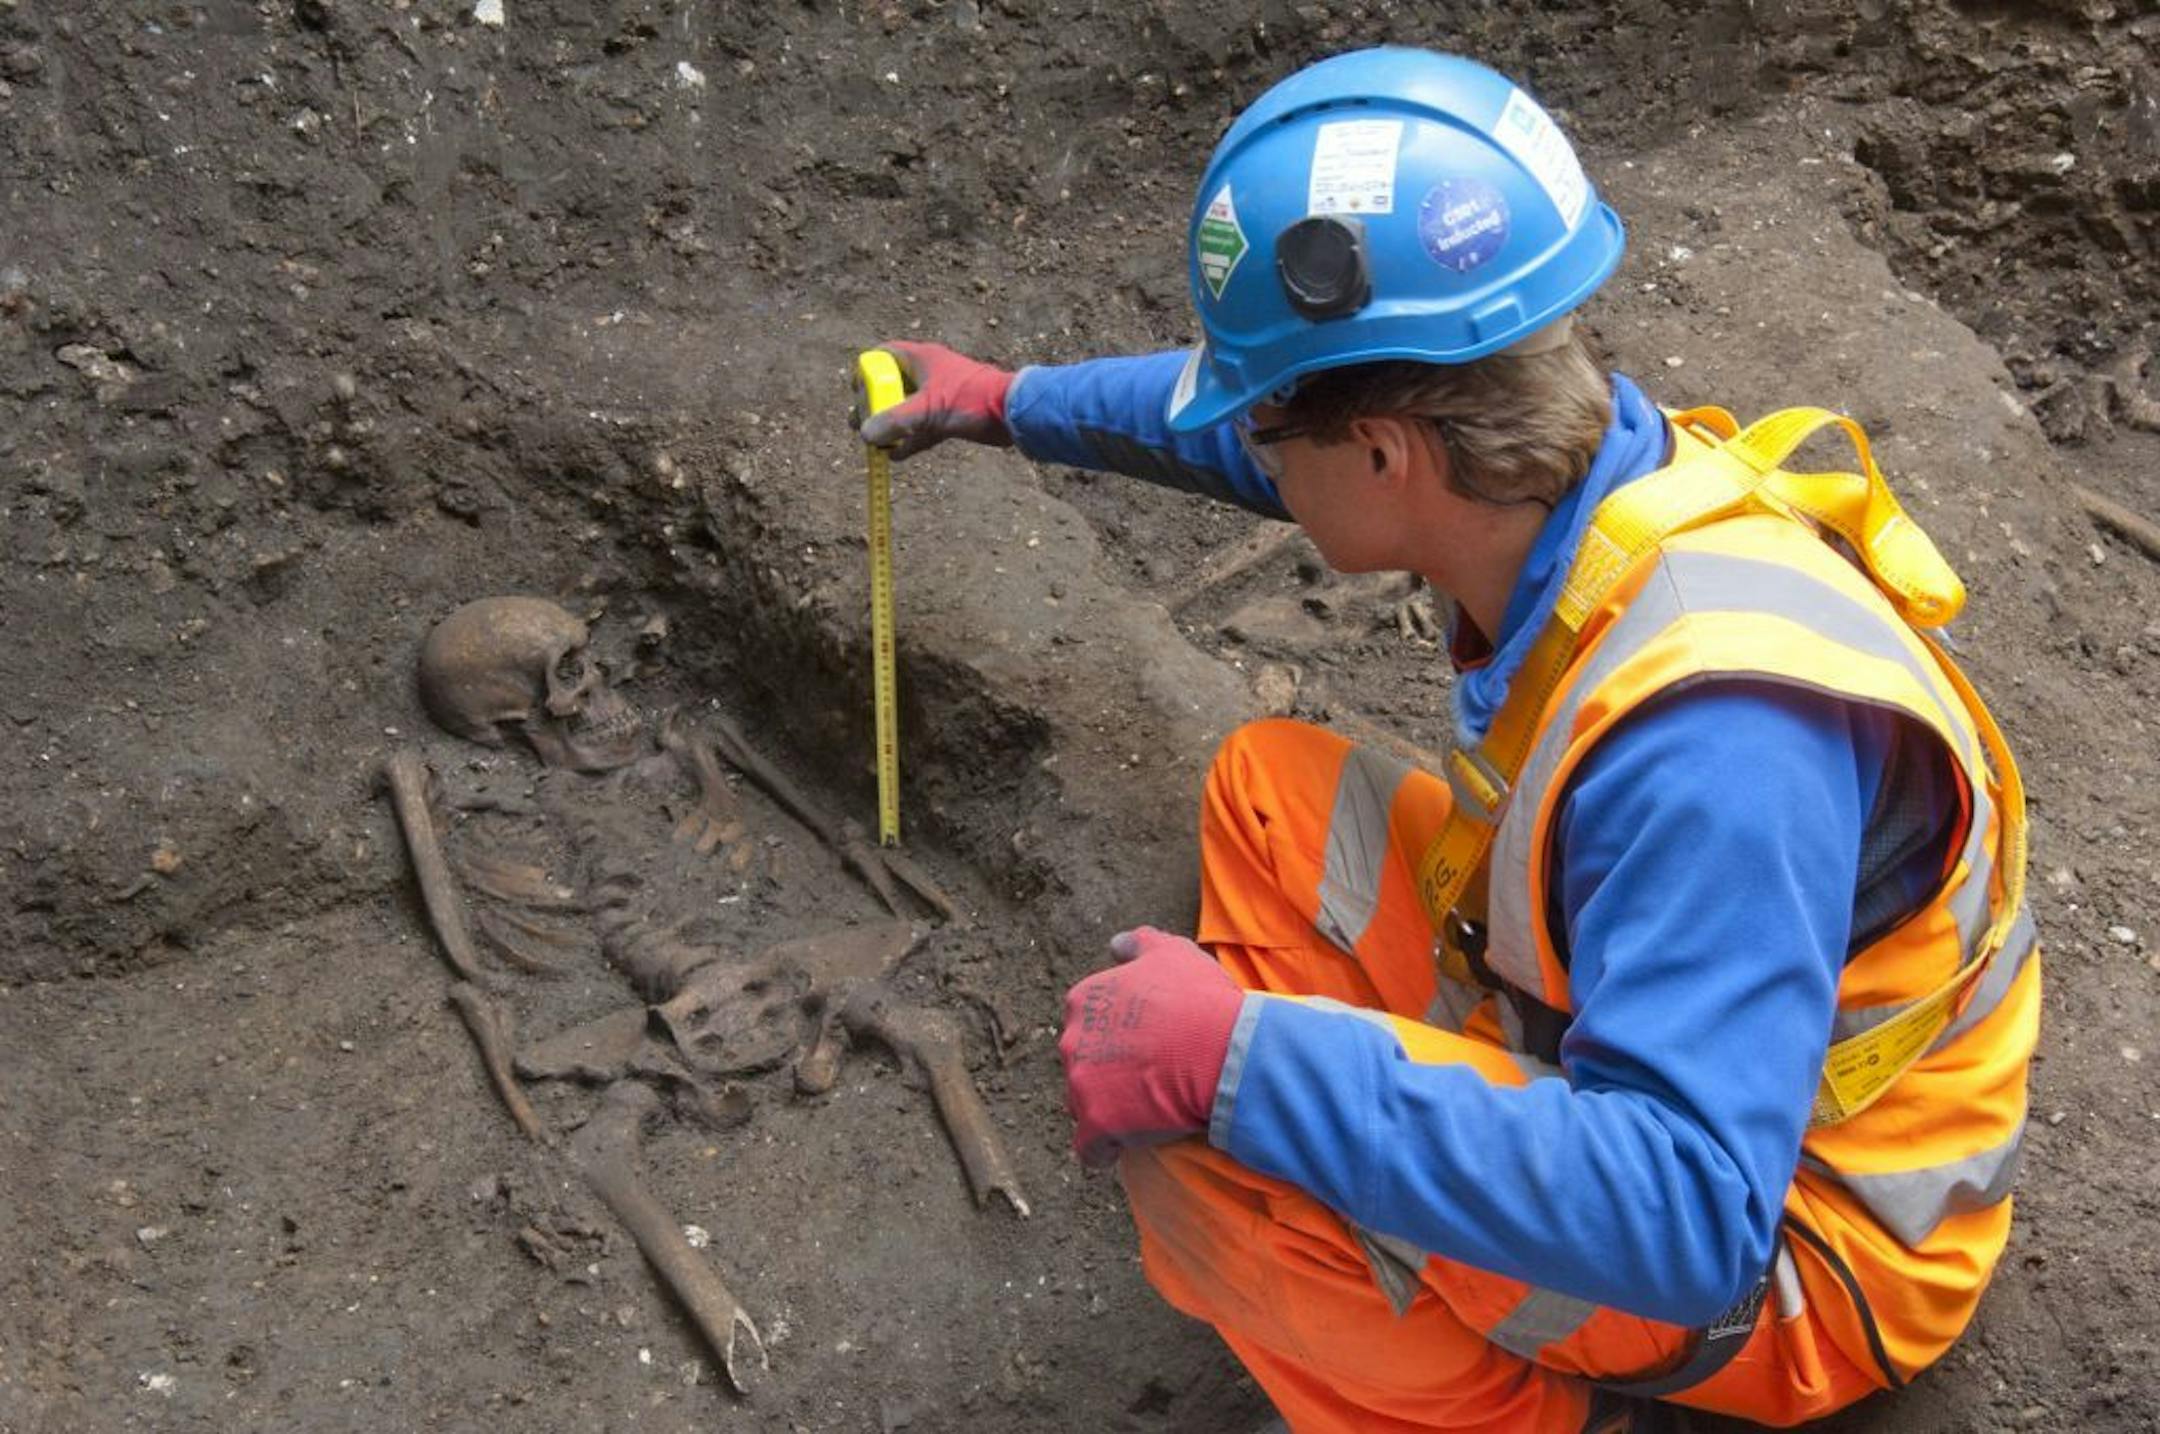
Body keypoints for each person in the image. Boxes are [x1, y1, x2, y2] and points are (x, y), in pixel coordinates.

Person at [860, 47, 2038, 1434]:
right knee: (1268, 793)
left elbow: (1689, 1213)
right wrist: (1009, 403)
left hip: (1796, 1242)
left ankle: (1513, 1396)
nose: (1251, 448)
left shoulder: (1716, 745)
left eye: (1266, 425)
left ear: (1381, 456)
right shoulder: (1576, 470)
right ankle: (1430, 1175)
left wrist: (1242, 1063)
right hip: (1677, 1038)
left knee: (1206, 1172)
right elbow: (1269, 437)